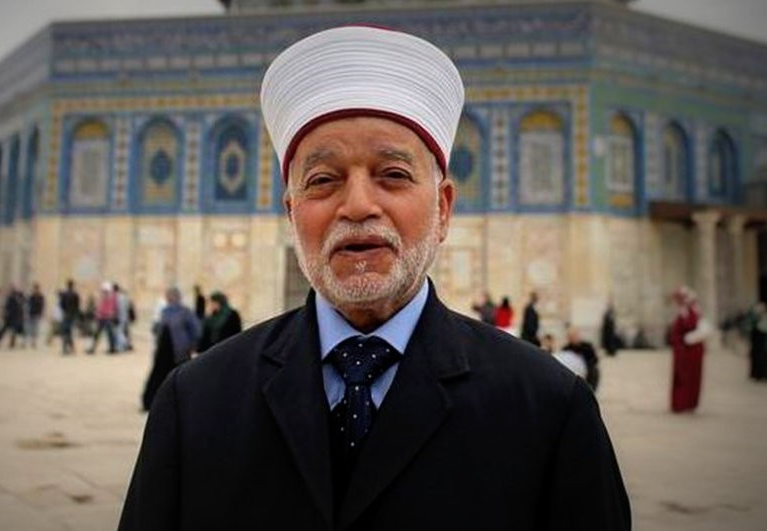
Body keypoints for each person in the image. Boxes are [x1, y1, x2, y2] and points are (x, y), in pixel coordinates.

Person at [119, 26, 629, 530]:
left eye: (393, 175)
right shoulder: (197, 402)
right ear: (292, 213)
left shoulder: (548, 410)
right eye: (323, 180)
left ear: (444, 209)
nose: (359, 205)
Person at [140, 287, 200, 412]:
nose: (168, 298)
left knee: (182, 378)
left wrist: (192, 345)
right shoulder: (165, 311)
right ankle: (150, 403)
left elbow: (195, 330)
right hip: (163, 352)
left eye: (169, 296)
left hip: (179, 352)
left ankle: (185, 405)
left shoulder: (185, 312)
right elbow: (159, 329)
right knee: (157, 377)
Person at [668, 286, 709, 413]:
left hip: (690, 350)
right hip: (682, 349)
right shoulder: (684, 310)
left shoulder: (692, 311)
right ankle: (681, 403)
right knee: (682, 377)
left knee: (689, 377)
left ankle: (687, 403)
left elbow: (694, 327)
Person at [562, 326, 600, 392]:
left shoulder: (587, 346)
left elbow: (594, 359)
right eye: (570, 336)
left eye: (574, 336)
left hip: (587, 370)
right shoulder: (566, 348)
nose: (572, 338)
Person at [87, 282, 118, 354]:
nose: (104, 292)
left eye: (105, 290)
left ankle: (111, 348)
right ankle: (93, 348)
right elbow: (100, 308)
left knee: (108, 334)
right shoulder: (104, 298)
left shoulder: (110, 297)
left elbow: (111, 308)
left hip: (106, 317)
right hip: (103, 317)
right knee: (99, 334)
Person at [745, 302, 767, 381]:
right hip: (758, 346)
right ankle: (759, 374)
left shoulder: (760, 321)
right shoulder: (756, 321)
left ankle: (760, 374)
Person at [58, 280, 81, 355]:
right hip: (72, 315)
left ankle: (65, 348)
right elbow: (77, 306)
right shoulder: (75, 294)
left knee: (65, 331)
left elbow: (61, 304)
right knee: (68, 331)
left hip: (66, 314)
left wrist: (64, 310)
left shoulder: (64, 294)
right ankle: (71, 348)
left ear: (67, 285)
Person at [26, 283, 45, 348]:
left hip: (37, 314)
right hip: (31, 314)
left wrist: (41, 313)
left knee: (36, 328)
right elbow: (28, 305)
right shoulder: (31, 296)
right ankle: (31, 341)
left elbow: (42, 306)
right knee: (31, 328)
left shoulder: (40, 297)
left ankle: (34, 342)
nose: (35, 290)